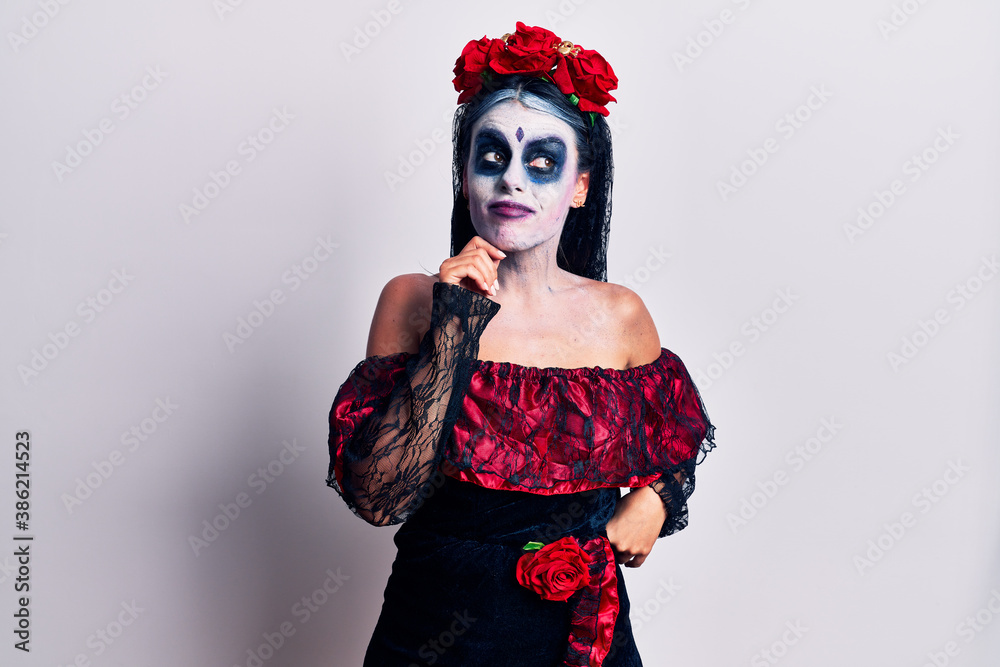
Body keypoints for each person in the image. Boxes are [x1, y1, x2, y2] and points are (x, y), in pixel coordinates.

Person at [327, 22, 715, 666]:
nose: (512, 180)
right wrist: (455, 325)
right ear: (465, 177)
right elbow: (378, 497)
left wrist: (656, 498)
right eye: (491, 157)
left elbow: (677, 440)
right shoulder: (412, 300)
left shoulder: (619, 314)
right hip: (434, 634)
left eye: (542, 161)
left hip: (583, 632)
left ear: (580, 186)